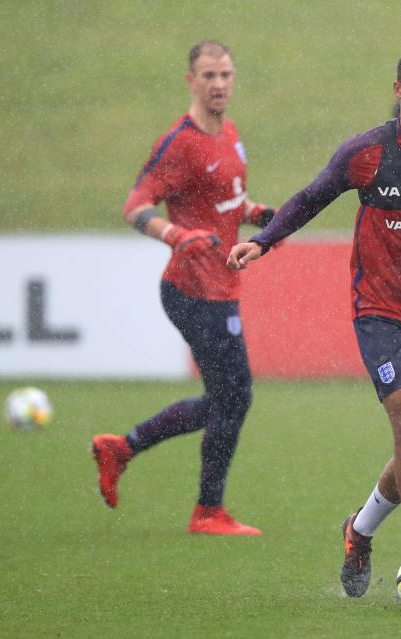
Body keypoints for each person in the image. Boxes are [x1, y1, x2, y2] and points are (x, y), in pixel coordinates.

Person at [226, 49, 401, 597]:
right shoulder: (366, 153)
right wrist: (263, 242)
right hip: (380, 311)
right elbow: (313, 196)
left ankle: (358, 530)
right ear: (398, 91)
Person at [90, 40, 276, 535]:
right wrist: (175, 235)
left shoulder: (230, 133)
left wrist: (254, 213)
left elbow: (224, 198)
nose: (218, 84)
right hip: (192, 291)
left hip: (220, 287)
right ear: (190, 81)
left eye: (226, 75)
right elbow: (136, 206)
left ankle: (123, 448)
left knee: (227, 398)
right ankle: (207, 511)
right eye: (209, 76)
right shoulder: (180, 141)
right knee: (234, 397)